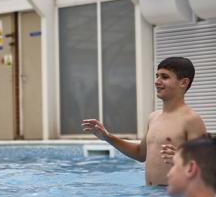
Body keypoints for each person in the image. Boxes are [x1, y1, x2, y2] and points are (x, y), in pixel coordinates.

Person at [82, 57, 207, 186]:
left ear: (183, 82)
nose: (157, 81)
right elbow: (140, 154)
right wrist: (108, 137)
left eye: (164, 77)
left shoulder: (192, 120)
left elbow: (206, 167)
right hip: (150, 195)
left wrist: (181, 160)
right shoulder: (154, 117)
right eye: (157, 76)